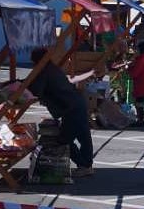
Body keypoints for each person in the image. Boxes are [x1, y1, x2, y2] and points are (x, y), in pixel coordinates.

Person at [24, 47, 94, 176]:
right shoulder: (52, 68)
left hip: (70, 108)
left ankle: (83, 165)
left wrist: (20, 87)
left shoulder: (44, 71)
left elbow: (36, 90)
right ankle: (87, 165)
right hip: (77, 103)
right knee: (84, 137)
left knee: (64, 140)